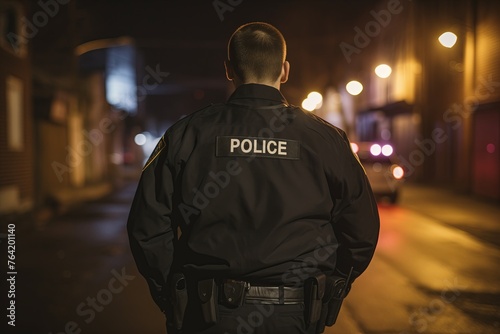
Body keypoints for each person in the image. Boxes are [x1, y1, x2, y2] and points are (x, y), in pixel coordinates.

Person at [127, 22, 380, 334]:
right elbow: (362, 229)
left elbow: (147, 225)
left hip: (208, 312)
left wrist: (173, 291)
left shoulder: (187, 133)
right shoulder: (326, 139)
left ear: (229, 70)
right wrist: (334, 284)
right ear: (284, 71)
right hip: (296, 313)